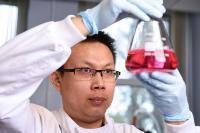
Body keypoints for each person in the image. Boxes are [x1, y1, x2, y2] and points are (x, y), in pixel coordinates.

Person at [0, 0, 192, 132]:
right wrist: (84, 23)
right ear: (57, 79)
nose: (99, 83)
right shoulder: (37, 125)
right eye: (86, 70)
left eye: (108, 71)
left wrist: (180, 119)